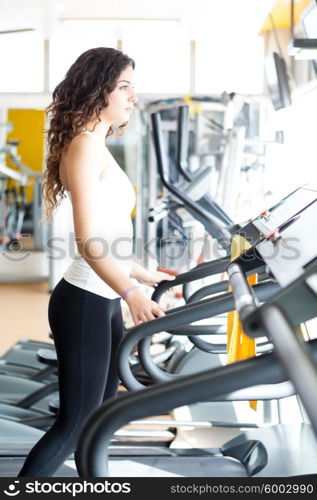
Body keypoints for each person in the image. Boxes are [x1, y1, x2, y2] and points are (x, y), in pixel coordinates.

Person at [17, 47, 174, 477]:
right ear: (97, 87)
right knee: (73, 424)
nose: (133, 96)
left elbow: (109, 234)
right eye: (124, 86)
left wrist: (142, 274)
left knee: (94, 418)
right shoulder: (85, 147)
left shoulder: (97, 143)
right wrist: (131, 291)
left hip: (101, 299)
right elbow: (89, 243)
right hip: (86, 299)